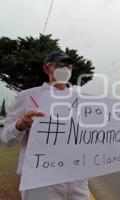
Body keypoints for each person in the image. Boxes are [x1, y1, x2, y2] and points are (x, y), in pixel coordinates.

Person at [0, 52, 90, 200]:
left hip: (77, 177)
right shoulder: (27, 96)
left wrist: (118, 126)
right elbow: (6, 139)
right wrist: (20, 125)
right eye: (60, 65)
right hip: (40, 179)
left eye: (68, 66)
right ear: (47, 69)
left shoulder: (80, 101)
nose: (65, 69)